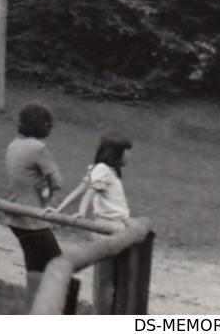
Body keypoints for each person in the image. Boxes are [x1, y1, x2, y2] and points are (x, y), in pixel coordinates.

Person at [55, 133, 134, 313]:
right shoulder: (103, 170)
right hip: (108, 226)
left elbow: (80, 189)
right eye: (126, 151)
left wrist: (60, 209)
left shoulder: (104, 171)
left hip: (116, 224)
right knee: (106, 280)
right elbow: (89, 192)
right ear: (115, 153)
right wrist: (81, 213)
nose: (129, 156)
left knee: (112, 277)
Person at [5, 102, 65, 310]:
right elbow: (58, 182)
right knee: (60, 266)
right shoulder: (38, 148)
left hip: (14, 216)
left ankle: (31, 311)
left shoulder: (14, 144)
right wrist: (47, 189)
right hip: (33, 219)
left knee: (35, 266)